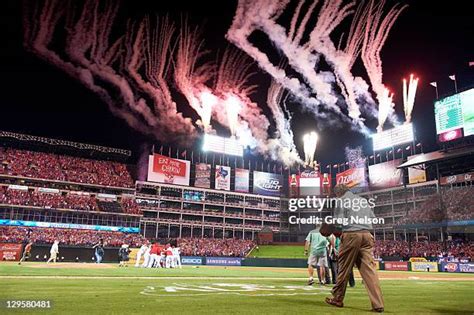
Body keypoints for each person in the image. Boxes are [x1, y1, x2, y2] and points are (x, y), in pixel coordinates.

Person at [324, 184, 384, 313]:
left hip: (351, 235)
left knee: (344, 268)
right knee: (370, 272)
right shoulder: (363, 200)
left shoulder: (341, 201)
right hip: (367, 235)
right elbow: (373, 218)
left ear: (338, 193)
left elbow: (339, 222)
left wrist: (330, 226)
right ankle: (378, 304)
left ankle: (338, 298)